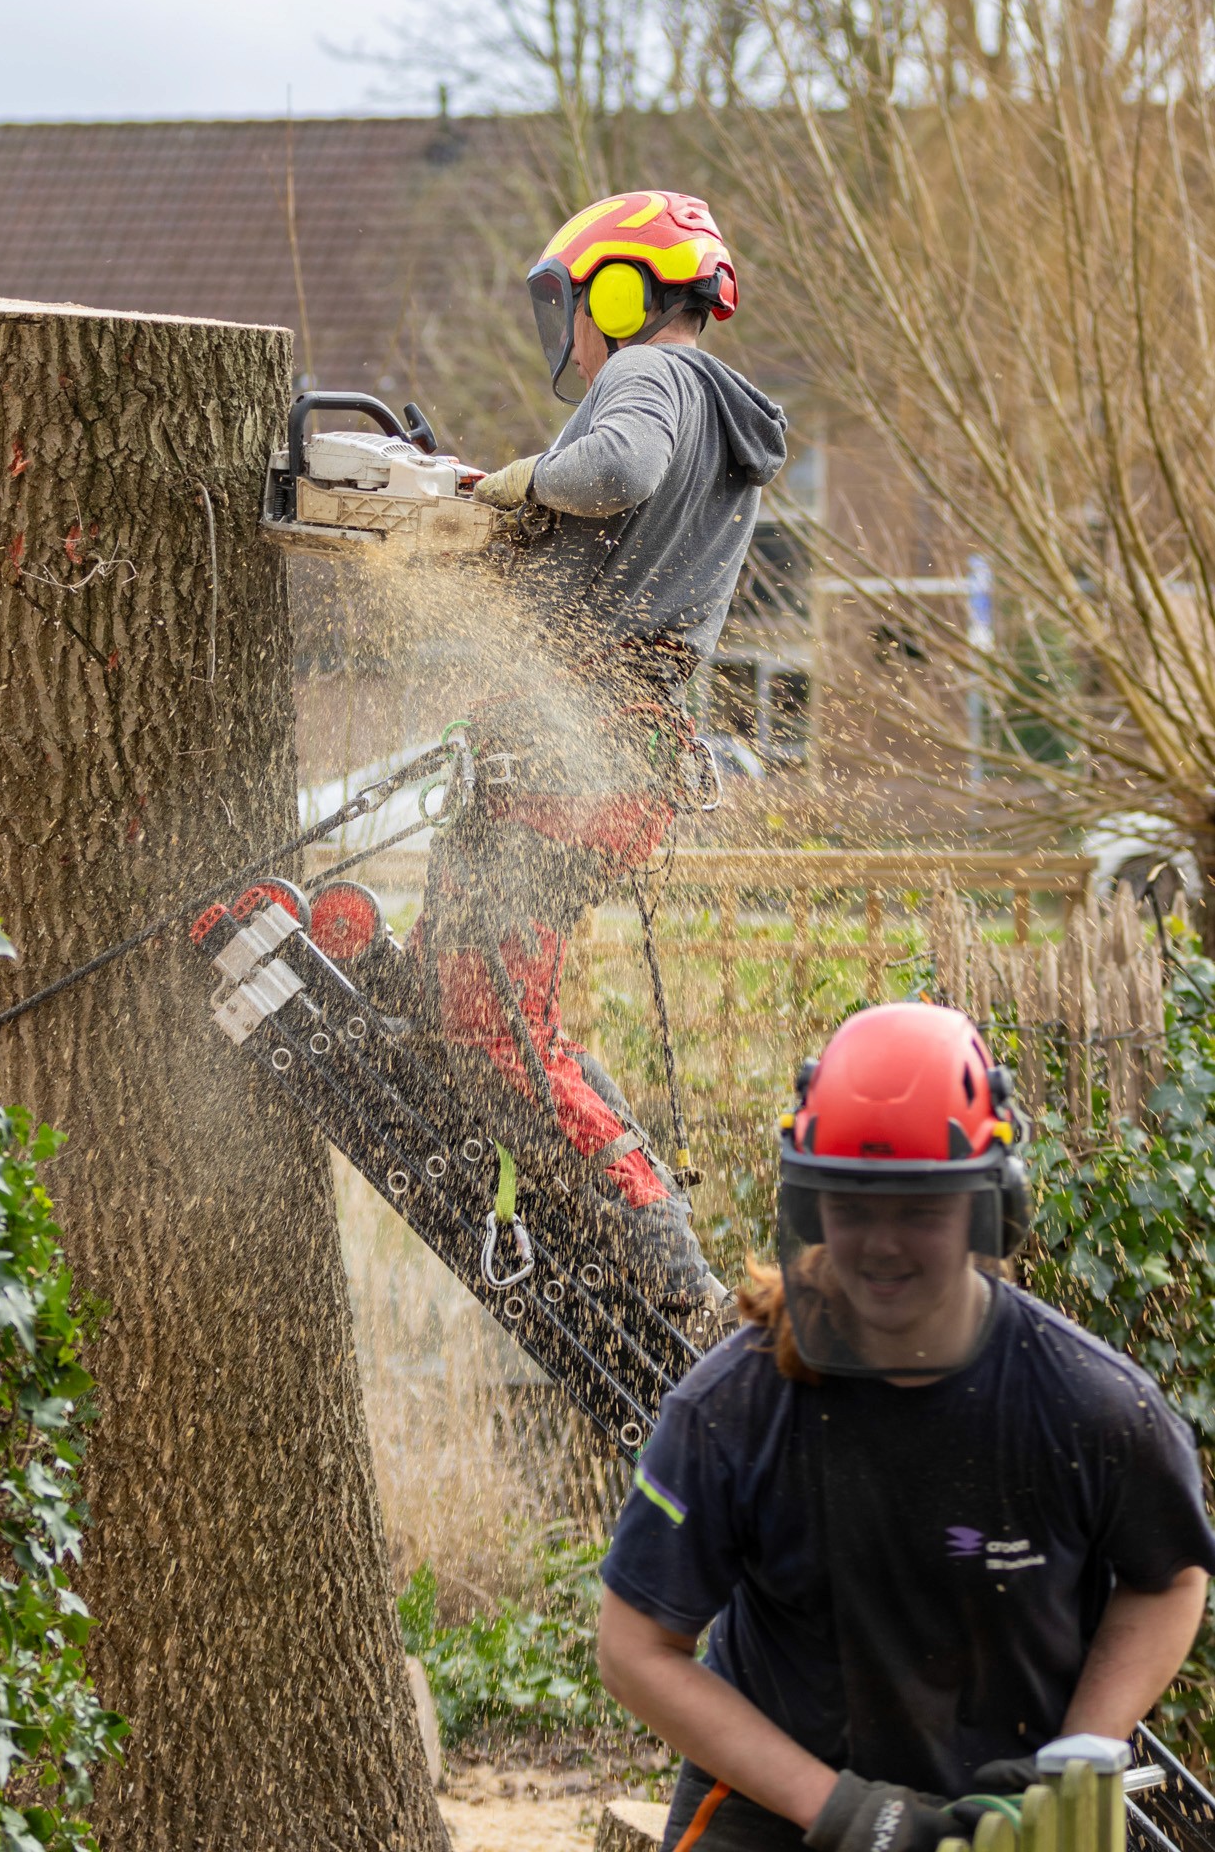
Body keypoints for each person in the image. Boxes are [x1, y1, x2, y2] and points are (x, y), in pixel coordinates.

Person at [597, 1001, 1215, 1852]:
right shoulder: (732, 1411)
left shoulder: (1090, 1405)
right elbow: (634, 1648)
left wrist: (1081, 1750)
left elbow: (1168, 1576)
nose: (880, 1244)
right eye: (851, 1208)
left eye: (918, 1210)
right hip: (776, 1811)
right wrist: (844, 1812)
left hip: (1003, 1814)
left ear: (991, 1207)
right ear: (810, 1206)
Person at [406, 189, 788, 1331]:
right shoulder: (719, 416)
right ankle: (631, 1233)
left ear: (624, 290)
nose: (569, 330)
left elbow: (612, 471)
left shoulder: (651, 377)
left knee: (489, 1021)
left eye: (576, 301)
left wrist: (517, 480)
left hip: (574, 762)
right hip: (618, 763)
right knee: (479, 1000)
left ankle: (662, 1261)